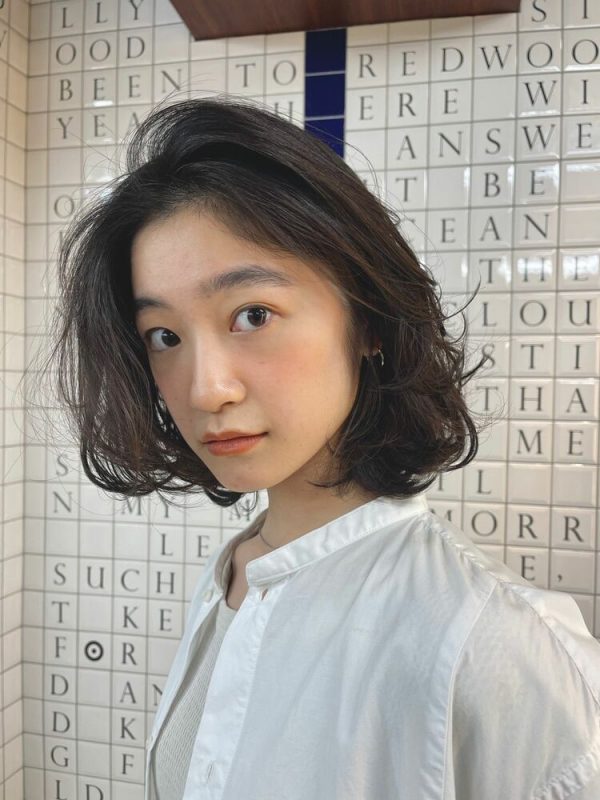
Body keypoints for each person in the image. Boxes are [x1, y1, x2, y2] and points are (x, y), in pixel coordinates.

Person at [49, 96, 600, 800]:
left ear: (368, 319)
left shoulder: (497, 646)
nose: (206, 389)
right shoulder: (232, 578)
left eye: (253, 315)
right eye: (165, 336)